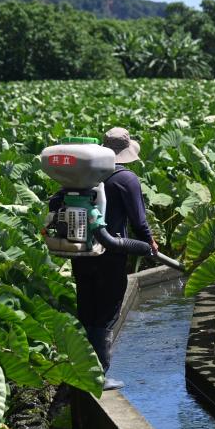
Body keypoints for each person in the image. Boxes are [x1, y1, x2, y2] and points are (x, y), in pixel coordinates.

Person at [72, 127, 158, 390]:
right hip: (111, 253)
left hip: (81, 251)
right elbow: (139, 221)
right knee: (107, 314)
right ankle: (100, 377)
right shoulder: (126, 179)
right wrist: (150, 243)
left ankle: (83, 371)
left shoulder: (84, 173)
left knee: (88, 309)